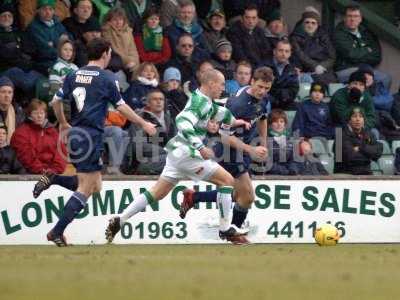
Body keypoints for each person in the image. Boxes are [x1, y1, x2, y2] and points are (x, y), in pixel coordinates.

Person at [32, 38, 157, 246]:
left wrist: (63, 123)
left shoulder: (73, 74)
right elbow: (121, 106)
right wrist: (143, 123)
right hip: (91, 135)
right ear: (106, 53)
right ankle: (56, 231)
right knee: (86, 187)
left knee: (95, 186)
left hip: (76, 134)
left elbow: (55, 101)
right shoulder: (106, 77)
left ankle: (53, 178)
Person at [105, 69, 253, 245]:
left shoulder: (205, 100)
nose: (223, 88)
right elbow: (182, 121)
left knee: (157, 193)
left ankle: (120, 219)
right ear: (211, 83)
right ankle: (224, 228)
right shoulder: (199, 102)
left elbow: (219, 112)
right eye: (221, 84)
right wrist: (200, 146)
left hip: (176, 153)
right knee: (227, 182)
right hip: (188, 154)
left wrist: (237, 122)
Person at [178, 67, 272, 233]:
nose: (262, 91)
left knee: (238, 194)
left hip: (245, 149)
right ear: (252, 82)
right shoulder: (238, 104)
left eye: (266, 88)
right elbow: (224, 136)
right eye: (259, 87)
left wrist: (263, 143)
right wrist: (251, 149)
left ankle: (194, 197)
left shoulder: (263, 99)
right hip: (231, 151)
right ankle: (233, 232)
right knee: (248, 197)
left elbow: (263, 118)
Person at [334, 4, 391, 89]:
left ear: (360, 19)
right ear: (344, 18)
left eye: (356, 16)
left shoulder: (366, 33)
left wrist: (359, 53)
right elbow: (351, 55)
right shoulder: (338, 33)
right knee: (366, 78)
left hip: (366, 68)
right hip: (346, 69)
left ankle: (374, 101)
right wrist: (367, 50)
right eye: (349, 16)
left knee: (385, 78)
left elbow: (377, 56)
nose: (352, 19)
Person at [124, 89, 176, 174]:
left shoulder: (170, 119)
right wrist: (165, 150)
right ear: (148, 103)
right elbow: (138, 146)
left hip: (165, 157)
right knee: (174, 159)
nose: (158, 102)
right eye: (155, 99)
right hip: (143, 161)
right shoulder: (139, 119)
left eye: (161, 99)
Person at [11, 99, 67, 174]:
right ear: (30, 114)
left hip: (53, 174)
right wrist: (41, 171)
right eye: (35, 113)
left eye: (42, 113)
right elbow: (25, 156)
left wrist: (54, 170)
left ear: (45, 114)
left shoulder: (52, 131)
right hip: (29, 174)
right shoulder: (21, 133)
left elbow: (61, 152)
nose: (39, 116)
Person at [290, 10, 337, 85]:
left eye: (313, 23)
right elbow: (300, 55)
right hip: (306, 69)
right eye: (307, 22)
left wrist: (322, 66)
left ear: (317, 25)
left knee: (332, 81)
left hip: (324, 69)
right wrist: (315, 66)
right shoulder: (295, 37)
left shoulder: (324, 36)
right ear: (302, 23)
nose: (310, 25)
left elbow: (332, 56)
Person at [334, 107, 383, 175]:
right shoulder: (339, 134)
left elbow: (378, 153)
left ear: (363, 120)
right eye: (354, 116)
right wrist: (368, 155)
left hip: (366, 173)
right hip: (345, 174)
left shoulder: (369, 133)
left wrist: (360, 148)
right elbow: (348, 158)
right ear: (349, 120)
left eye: (361, 116)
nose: (358, 119)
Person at [26, 0, 69, 75]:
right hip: (44, 63)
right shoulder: (33, 27)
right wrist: (59, 44)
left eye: (50, 9)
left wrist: (53, 44)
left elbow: (69, 40)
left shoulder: (58, 24)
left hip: (63, 59)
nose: (48, 12)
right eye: (44, 9)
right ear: (38, 11)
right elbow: (44, 50)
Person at [260, 40, 299, 110]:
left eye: (287, 51)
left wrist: (279, 94)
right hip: (268, 102)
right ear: (274, 52)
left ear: (290, 54)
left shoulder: (293, 70)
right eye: (281, 50)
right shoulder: (264, 67)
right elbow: (262, 89)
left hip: (285, 103)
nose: (283, 54)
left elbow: (293, 91)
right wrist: (280, 93)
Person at [102, 8, 140, 74]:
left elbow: (133, 50)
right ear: (109, 21)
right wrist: (127, 61)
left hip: (131, 63)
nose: (118, 22)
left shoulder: (128, 31)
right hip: (116, 65)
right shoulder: (106, 31)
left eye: (120, 19)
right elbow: (115, 50)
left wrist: (134, 61)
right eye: (115, 20)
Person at [0, 77, 25, 144]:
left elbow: (22, 136)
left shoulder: (18, 111)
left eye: (10, 92)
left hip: (12, 149)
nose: (7, 95)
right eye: (3, 92)